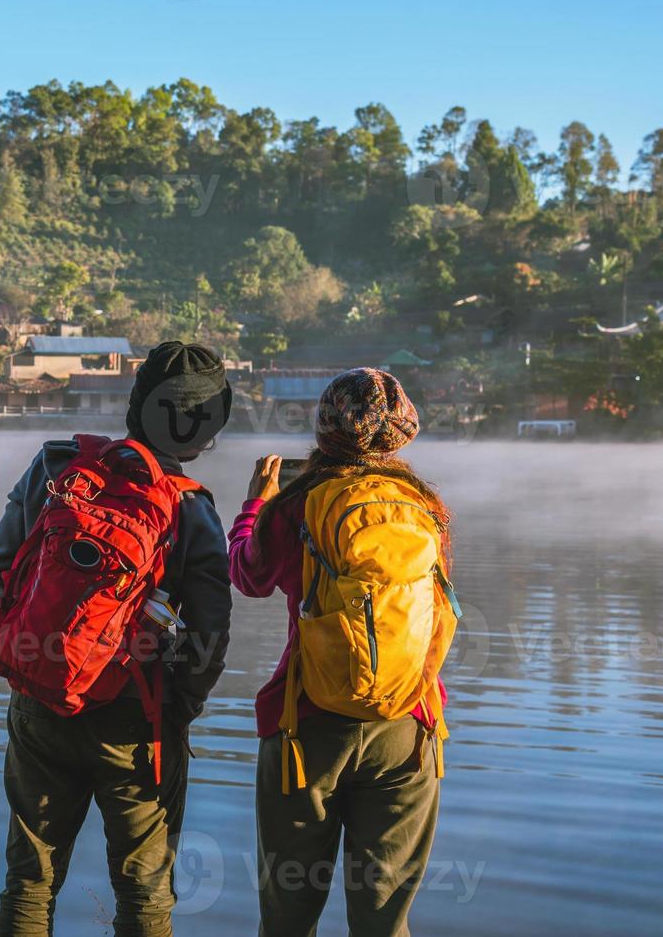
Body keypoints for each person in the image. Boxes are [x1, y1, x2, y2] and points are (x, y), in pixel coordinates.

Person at [0, 341, 235, 937]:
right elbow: (211, 634)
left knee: (28, 883)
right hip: (138, 721)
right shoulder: (192, 510)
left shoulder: (56, 466)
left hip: (40, 699)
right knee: (143, 890)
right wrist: (181, 708)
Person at [227, 368, 454, 937]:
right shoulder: (425, 506)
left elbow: (248, 576)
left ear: (325, 432)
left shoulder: (296, 505)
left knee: (288, 917)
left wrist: (256, 507)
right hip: (408, 726)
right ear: (402, 434)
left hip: (306, 726)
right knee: (384, 921)